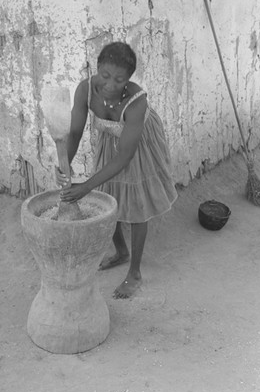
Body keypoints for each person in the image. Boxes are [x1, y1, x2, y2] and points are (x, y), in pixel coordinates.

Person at [55, 42, 177, 299]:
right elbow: (75, 133)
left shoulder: (136, 102)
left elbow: (125, 156)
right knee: (110, 197)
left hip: (137, 145)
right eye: (105, 75)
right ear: (97, 68)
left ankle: (135, 273)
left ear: (129, 79)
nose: (110, 84)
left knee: (136, 206)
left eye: (119, 79)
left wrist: (85, 186)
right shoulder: (85, 89)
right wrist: (64, 164)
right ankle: (121, 252)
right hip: (111, 142)